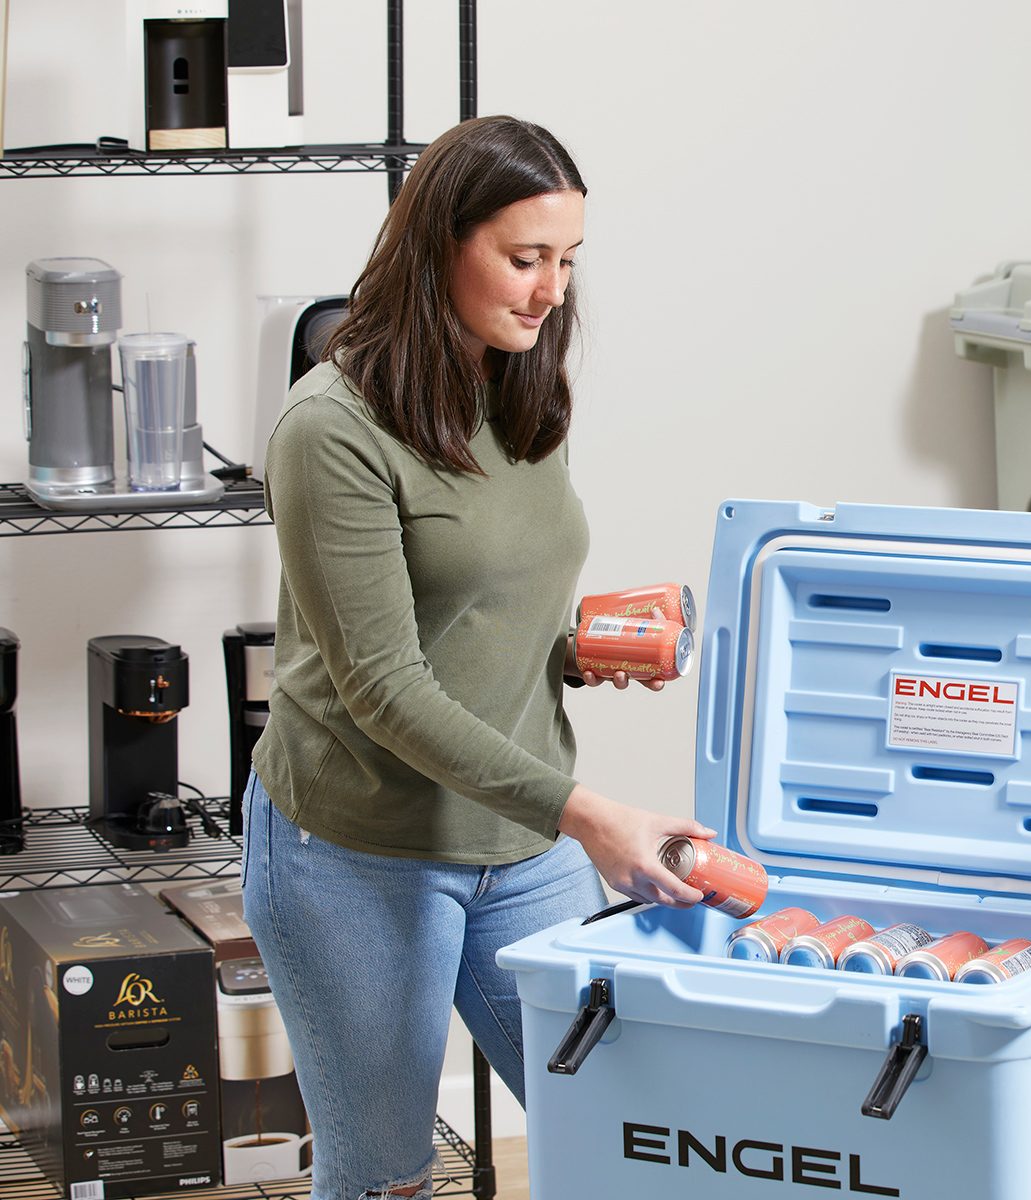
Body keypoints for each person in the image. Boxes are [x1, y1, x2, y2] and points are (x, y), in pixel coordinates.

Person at [241, 115, 713, 1200]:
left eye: (567, 261)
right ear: (436, 246)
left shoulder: (514, 384)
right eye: (523, 258)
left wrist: (580, 650)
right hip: (358, 853)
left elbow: (484, 597)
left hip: (516, 841)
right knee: (386, 1177)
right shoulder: (333, 430)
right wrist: (593, 815)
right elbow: (387, 686)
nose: (550, 292)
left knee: (626, 1129)